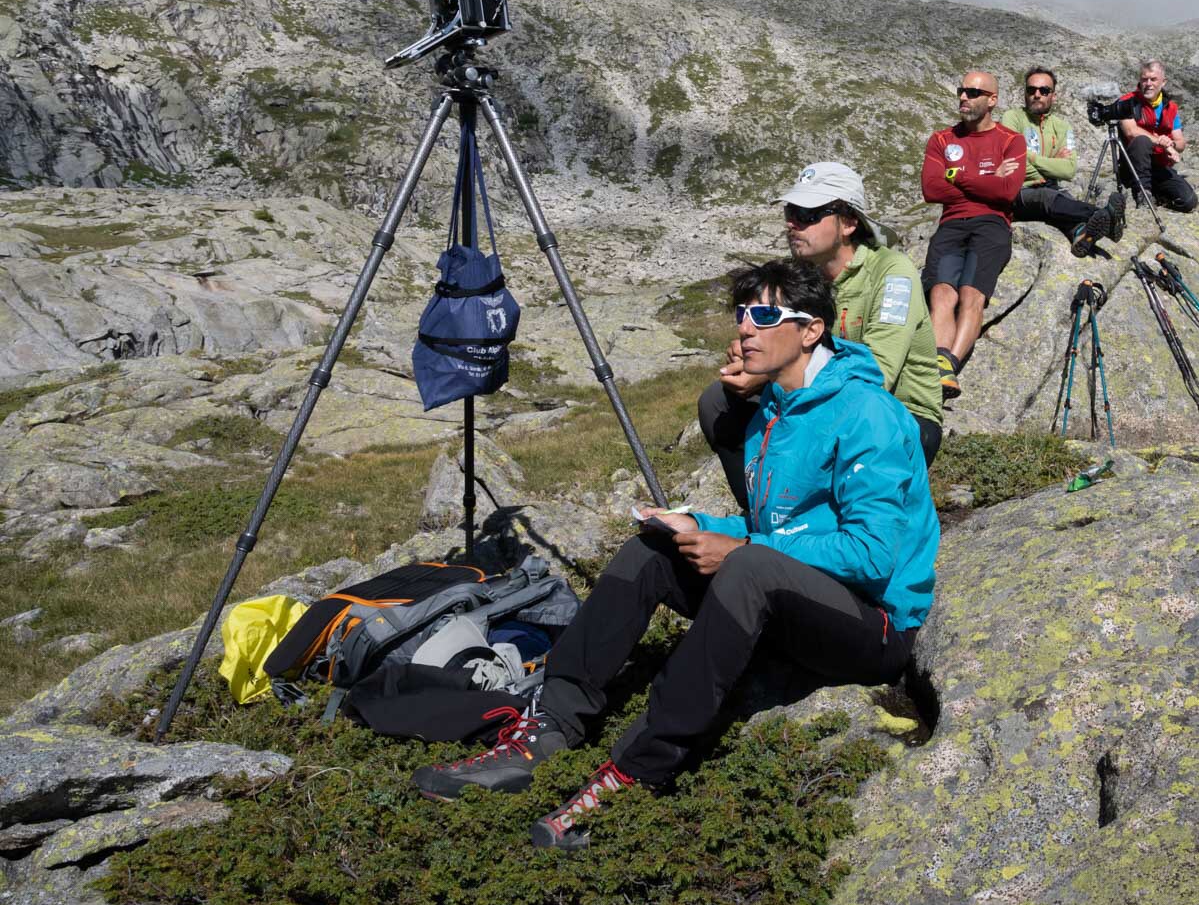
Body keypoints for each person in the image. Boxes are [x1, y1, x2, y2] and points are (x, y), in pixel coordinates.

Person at [413, 259, 941, 852]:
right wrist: (699, 524)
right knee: (654, 551)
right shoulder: (778, 408)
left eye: (765, 316)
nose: (745, 329)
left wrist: (743, 545)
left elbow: (871, 554)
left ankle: (638, 773)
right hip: (795, 593)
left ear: (811, 330)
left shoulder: (866, 412)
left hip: (874, 624)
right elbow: (785, 526)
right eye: (742, 314)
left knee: (748, 567)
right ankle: (551, 725)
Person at [699, 162, 942, 509]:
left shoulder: (893, 273)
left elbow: (878, 373)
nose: (792, 223)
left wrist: (766, 375)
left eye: (809, 213)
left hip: (899, 416)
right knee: (717, 403)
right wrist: (753, 356)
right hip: (819, 402)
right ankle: (761, 512)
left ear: (849, 222)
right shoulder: (800, 277)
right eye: (791, 211)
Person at [921, 70, 1026, 400]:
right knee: (941, 292)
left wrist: (956, 177)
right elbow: (930, 188)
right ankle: (939, 362)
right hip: (951, 225)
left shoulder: (1011, 140)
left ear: (992, 100)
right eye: (961, 91)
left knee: (971, 294)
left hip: (991, 226)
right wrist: (982, 180)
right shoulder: (941, 139)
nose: (963, 97)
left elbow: (1007, 192)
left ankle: (949, 363)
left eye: (973, 92)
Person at [1000, 65, 1126, 256]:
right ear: (1025, 93)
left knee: (1061, 203)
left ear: (1053, 96)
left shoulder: (1062, 126)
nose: (1037, 94)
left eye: (1044, 90)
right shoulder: (1012, 118)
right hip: (1018, 193)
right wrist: (1050, 164)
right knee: (1047, 197)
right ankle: (1102, 214)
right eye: (1031, 89)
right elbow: (1015, 164)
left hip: (1051, 191)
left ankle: (1080, 235)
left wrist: (1031, 157)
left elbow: (1068, 170)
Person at [1115, 59, 1198, 213]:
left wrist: (1171, 144)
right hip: (1133, 167)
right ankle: (1143, 194)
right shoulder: (1126, 103)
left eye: (1153, 79)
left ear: (1163, 82)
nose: (1148, 83)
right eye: (1144, 79)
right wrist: (1163, 144)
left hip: (1159, 166)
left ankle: (1157, 196)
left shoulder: (1170, 107)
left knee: (1189, 201)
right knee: (1141, 140)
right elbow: (1131, 131)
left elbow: (1180, 143)